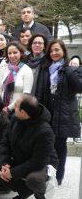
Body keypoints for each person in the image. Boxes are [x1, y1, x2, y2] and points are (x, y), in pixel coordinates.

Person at [0, 94, 58, 199]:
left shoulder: (45, 131)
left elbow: (38, 162)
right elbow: (5, 143)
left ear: (23, 112)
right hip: (21, 157)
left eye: (16, 106)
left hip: (44, 164)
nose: (13, 107)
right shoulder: (15, 118)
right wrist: (5, 163)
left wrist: (12, 173)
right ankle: (24, 191)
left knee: (33, 179)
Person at [36, 39, 82, 185]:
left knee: (60, 146)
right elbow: (40, 91)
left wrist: (67, 68)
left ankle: (59, 176)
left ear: (63, 51)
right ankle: (48, 172)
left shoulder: (70, 68)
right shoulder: (45, 68)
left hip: (63, 114)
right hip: (48, 112)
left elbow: (79, 87)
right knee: (47, 144)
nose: (54, 53)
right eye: (51, 51)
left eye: (57, 50)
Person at [0, 41, 33, 112]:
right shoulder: (4, 68)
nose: (12, 55)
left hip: (18, 110)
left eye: (15, 52)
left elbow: (26, 95)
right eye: (9, 53)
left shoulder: (27, 70)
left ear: (21, 53)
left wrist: (9, 108)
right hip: (1, 108)